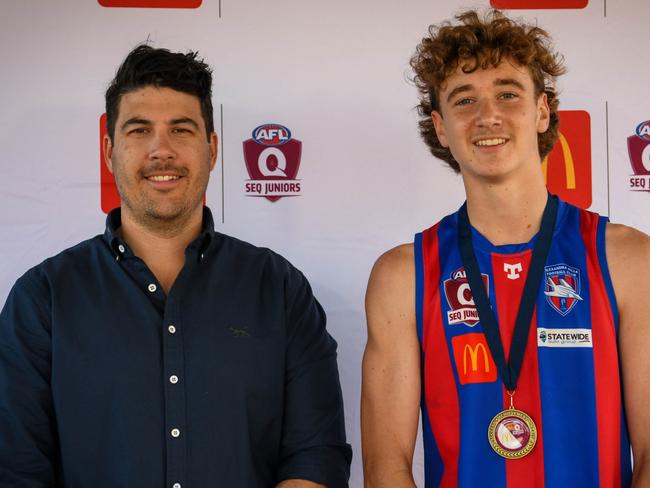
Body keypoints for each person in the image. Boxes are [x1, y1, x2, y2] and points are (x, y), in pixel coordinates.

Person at [0, 45, 351, 488]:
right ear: (109, 150)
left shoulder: (279, 290)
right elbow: (16, 469)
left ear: (212, 148)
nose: (160, 150)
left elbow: (316, 456)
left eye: (181, 130)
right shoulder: (43, 299)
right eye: (139, 130)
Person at [361, 9, 649, 487]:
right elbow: (385, 466)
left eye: (508, 94)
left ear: (541, 111)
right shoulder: (403, 275)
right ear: (439, 125)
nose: (487, 115)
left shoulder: (626, 258)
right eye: (464, 99)